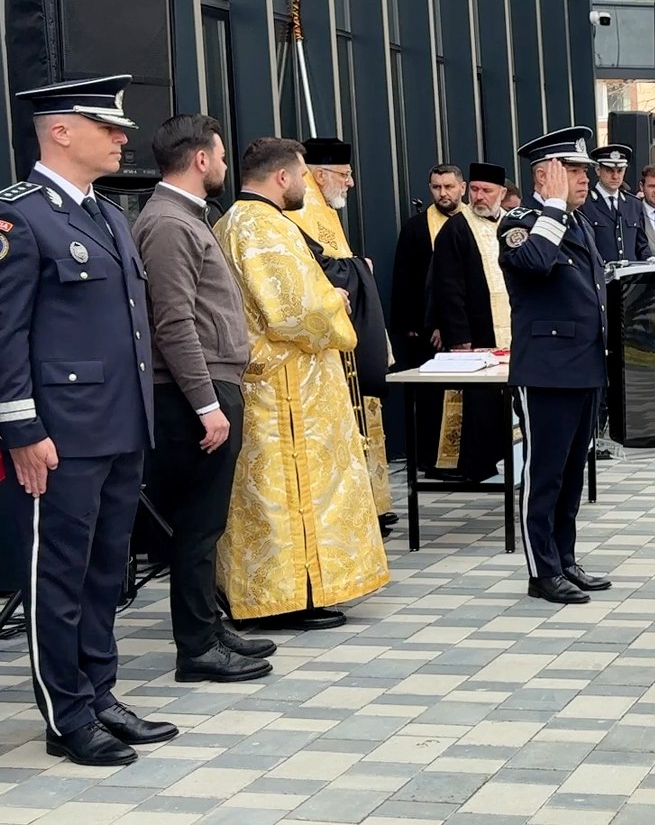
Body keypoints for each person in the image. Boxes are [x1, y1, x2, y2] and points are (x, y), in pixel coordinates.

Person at [0, 75, 172, 766]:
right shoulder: (20, 217)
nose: (123, 139)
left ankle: (99, 694)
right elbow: (6, 336)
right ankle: (66, 713)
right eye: (109, 128)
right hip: (60, 434)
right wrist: (21, 430)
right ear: (61, 131)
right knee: (58, 578)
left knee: (106, 573)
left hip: (119, 427)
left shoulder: (107, 215)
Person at [212, 137, 389, 631]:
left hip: (279, 383)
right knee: (288, 495)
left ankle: (286, 593)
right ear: (283, 177)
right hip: (285, 390)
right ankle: (290, 597)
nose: (304, 186)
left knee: (269, 497)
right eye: (301, 176)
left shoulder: (239, 222)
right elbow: (293, 312)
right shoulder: (262, 226)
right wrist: (336, 301)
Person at [133, 114, 274, 684]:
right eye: (219, 155)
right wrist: (205, 404)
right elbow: (173, 324)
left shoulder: (186, 216)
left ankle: (209, 629)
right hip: (194, 391)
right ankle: (196, 648)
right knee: (197, 524)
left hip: (208, 385)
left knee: (208, 521)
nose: (223, 165)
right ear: (199, 159)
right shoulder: (169, 223)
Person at [498, 127, 611, 604]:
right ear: (545, 175)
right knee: (543, 476)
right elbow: (536, 262)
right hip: (546, 369)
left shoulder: (579, 222)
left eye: (585, 171)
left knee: (571, 473)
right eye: (574, 171)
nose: (585, 179)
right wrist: (555, 208)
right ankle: (542, 571)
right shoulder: (520, 221)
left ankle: (564, 558)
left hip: (584, 365)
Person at [285, 137, 392, 528]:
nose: (350, 183)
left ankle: (370, 505)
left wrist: (356, 267)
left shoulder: (325, 209)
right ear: (319, 175)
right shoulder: (301, 211)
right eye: (344, 175)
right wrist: (361, 269)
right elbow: (320, 271)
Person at [428, 162, 514, 481]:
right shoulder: (457, 229)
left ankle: (507, 458)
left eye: (486, 191)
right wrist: (458, 337)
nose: (479, 196)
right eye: (475, 189)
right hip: (476, 333)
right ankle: (475, 465)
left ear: (501, 193)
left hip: (513, 330)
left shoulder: (512, 224)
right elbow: (448, 288)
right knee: (477, 401)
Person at [389, 164, 464, 473]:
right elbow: (405, 279)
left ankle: (469, 460)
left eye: (448, 186)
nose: (443, 193)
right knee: (431, 399)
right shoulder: (417, 228)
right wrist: (417, 325)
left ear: (462, 187)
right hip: (427, 331)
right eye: (436, 187)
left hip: (468, 329)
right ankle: (432, 462)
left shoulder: (474, 223)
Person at [582, 144, 652, 263]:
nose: (615, 176)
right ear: (598, 170)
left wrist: (650, 259)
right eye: (609, 170)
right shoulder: (584, 203)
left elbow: (641, 246)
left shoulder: (634, 204)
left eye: (620, 171)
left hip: (630, 273)